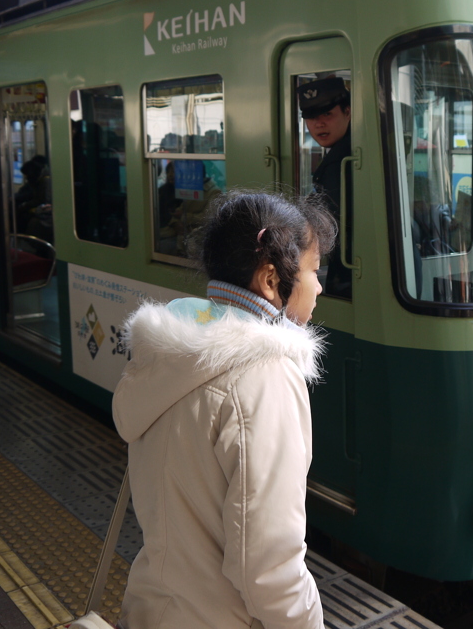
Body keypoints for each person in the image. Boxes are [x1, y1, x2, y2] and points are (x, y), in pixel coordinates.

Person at [113, 191, 337, 629]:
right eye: (313, 270)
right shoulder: (265, 377)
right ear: (272, 279)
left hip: (149, 609)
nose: (319, 286)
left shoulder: (166, 354)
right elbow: (269, 566)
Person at [299, 76, 352, 298]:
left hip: (350, 275)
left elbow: (335, 223)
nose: (319, 124)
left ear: (347, 111)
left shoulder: (344, 159)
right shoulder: (345, 149)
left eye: (327, 115)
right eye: (311, 117)